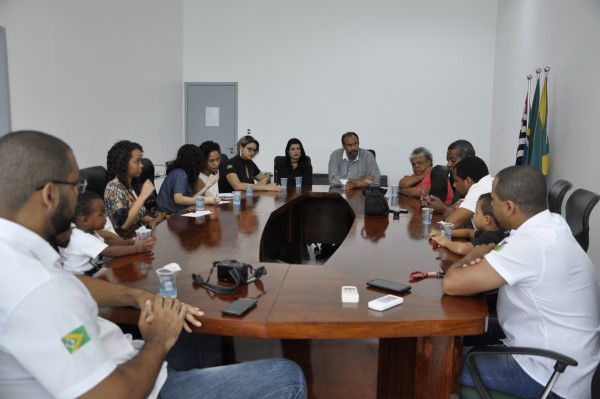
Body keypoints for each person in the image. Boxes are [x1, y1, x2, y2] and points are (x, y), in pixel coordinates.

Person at [0, 130, 307, 399]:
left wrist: (138, 296)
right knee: (287, 376)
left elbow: (71, 283)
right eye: (76, 185)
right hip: (140, 385)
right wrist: (158, 341)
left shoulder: (16, 256)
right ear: (51, 194)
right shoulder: (39, 293)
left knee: (197, 327)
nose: (80, 192)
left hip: (123, 355)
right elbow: (113, 394)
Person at [443, 165, 600, 398]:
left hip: (549, 373)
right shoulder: (551, 224)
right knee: (454, 338)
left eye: (493, 200)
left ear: (509, 207)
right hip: (550, 351)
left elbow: (452, 283)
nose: (491, 206)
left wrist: (473, 255)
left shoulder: (531, 243)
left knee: (442, 367)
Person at [61, 191, 155, 275]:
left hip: (92, 273)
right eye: (101, 214)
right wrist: (137, 249)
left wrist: (129, 242)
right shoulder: (80, 237)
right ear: (85, 220)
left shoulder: (89, 232)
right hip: (82, 279)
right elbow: (109, 251)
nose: (105, 217)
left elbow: (106, 242)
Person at [105, 140, 163, 238]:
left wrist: (155, 221)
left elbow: (137, 214)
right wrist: (143, 196)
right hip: (126, 244)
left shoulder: (130, 184)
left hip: (141, 236)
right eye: (137, 161)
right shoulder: (113, 187)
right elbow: (124, 225)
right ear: (123, 164)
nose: (142, 165)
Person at [429, 193, 508, 255]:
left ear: (487, 219)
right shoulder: (497, 231)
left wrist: (445, 242)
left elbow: (462, 249)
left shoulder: (490, 238)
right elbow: (469, 232)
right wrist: (443, 233)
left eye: (476, 213)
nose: (474, 215)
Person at [156, 144, 219, 216]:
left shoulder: (185, 173)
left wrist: (206, 186)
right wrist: (205, 200)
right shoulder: (180, 173)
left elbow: (190, 199)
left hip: (178, 213)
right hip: (168, 216)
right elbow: (178, 199)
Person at [440, 156, 492, 229]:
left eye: (456, 180)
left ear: (468, 181)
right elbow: (447, 210)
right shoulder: (486, 183)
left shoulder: (479, 189)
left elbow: (449, 224)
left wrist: (460, 218)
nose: (454, 185)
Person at [425, 139, 476, 211]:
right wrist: (433, 203)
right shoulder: (456, 178)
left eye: (453, 160)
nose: (448, 164)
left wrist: (443, 208)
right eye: (448, 160)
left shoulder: (476, 184)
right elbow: (456, 205)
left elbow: (466, 215)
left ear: (468, 159)